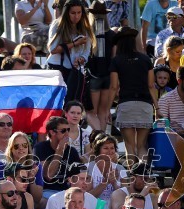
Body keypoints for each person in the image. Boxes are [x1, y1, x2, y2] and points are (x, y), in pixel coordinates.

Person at [107, 26, 157, 163]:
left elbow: (113, 87)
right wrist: (157, 108)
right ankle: (143, 177)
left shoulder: (116, 60)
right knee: (141, 146)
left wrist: (107, 110)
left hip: (126, 104)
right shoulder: (145, 59)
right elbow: (151, 85)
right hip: (145, 105)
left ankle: (133, 180)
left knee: (130, 147)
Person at [46, 0, 94, 83]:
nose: (76, 16)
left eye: (79, 12)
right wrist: (75, 43)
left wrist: (82, 58)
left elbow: (86, 51)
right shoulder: (58, 25)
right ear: (66, 13)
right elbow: (53, 49)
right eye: (73, 13)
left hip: (75, 70)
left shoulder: (85, 28)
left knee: (74, 95)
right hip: (58, 69)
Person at [34, 116, 81, 198]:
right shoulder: (40, 148)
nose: (67, 134)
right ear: (52, 132)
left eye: (68, 130)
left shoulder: (72, 151)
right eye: (63, 131)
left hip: (67, 192)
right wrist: (60, 150)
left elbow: (76, 178)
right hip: (47, 191)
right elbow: (48, 175)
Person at [0, 131, 44, 207]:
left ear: (28, 147)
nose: (21, 148)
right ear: (11, 149)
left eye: (24, 145)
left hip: (29, 202)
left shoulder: (35, 165)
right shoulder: (1, 166)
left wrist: (31, 178)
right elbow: (0, 193)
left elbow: (37, 199)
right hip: (7, 204)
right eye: (16, 146)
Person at [86, 1, 115, 131]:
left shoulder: (88, 34)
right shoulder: (112, 35)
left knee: (92, 112)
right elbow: (114, 59)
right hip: (108, 76)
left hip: (93, 75)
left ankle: (97, 138)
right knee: (103, 111)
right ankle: (102, 138)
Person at [86, 133, 125, 209]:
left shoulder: (120, 168)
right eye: (105, 148)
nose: (110, 151)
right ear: (98, 150)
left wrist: (114, 182)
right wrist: (106, 182)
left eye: (112, 148)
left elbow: (125, 197)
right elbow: (87, 197)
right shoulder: (88, 168)